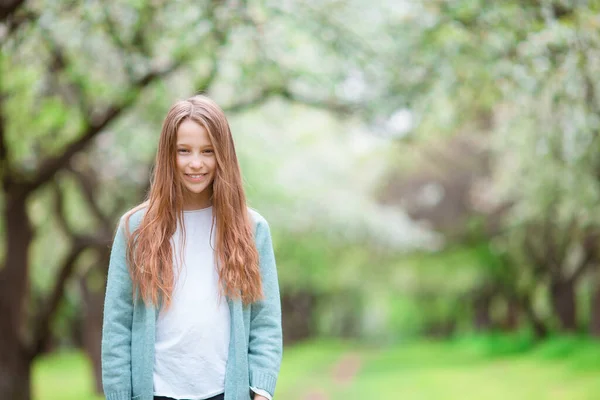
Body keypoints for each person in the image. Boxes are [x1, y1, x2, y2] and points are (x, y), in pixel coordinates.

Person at [101, 95, 282, 400]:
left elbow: (265, 321)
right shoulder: (135, 228)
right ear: (167, 155)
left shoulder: (252, 229)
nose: (195, 163)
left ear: (223, 155)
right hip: (156, 393)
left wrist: (261, 390)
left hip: (226, 392)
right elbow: (117, 324)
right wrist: (119, 394)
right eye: (183, 151)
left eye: (207, 151)